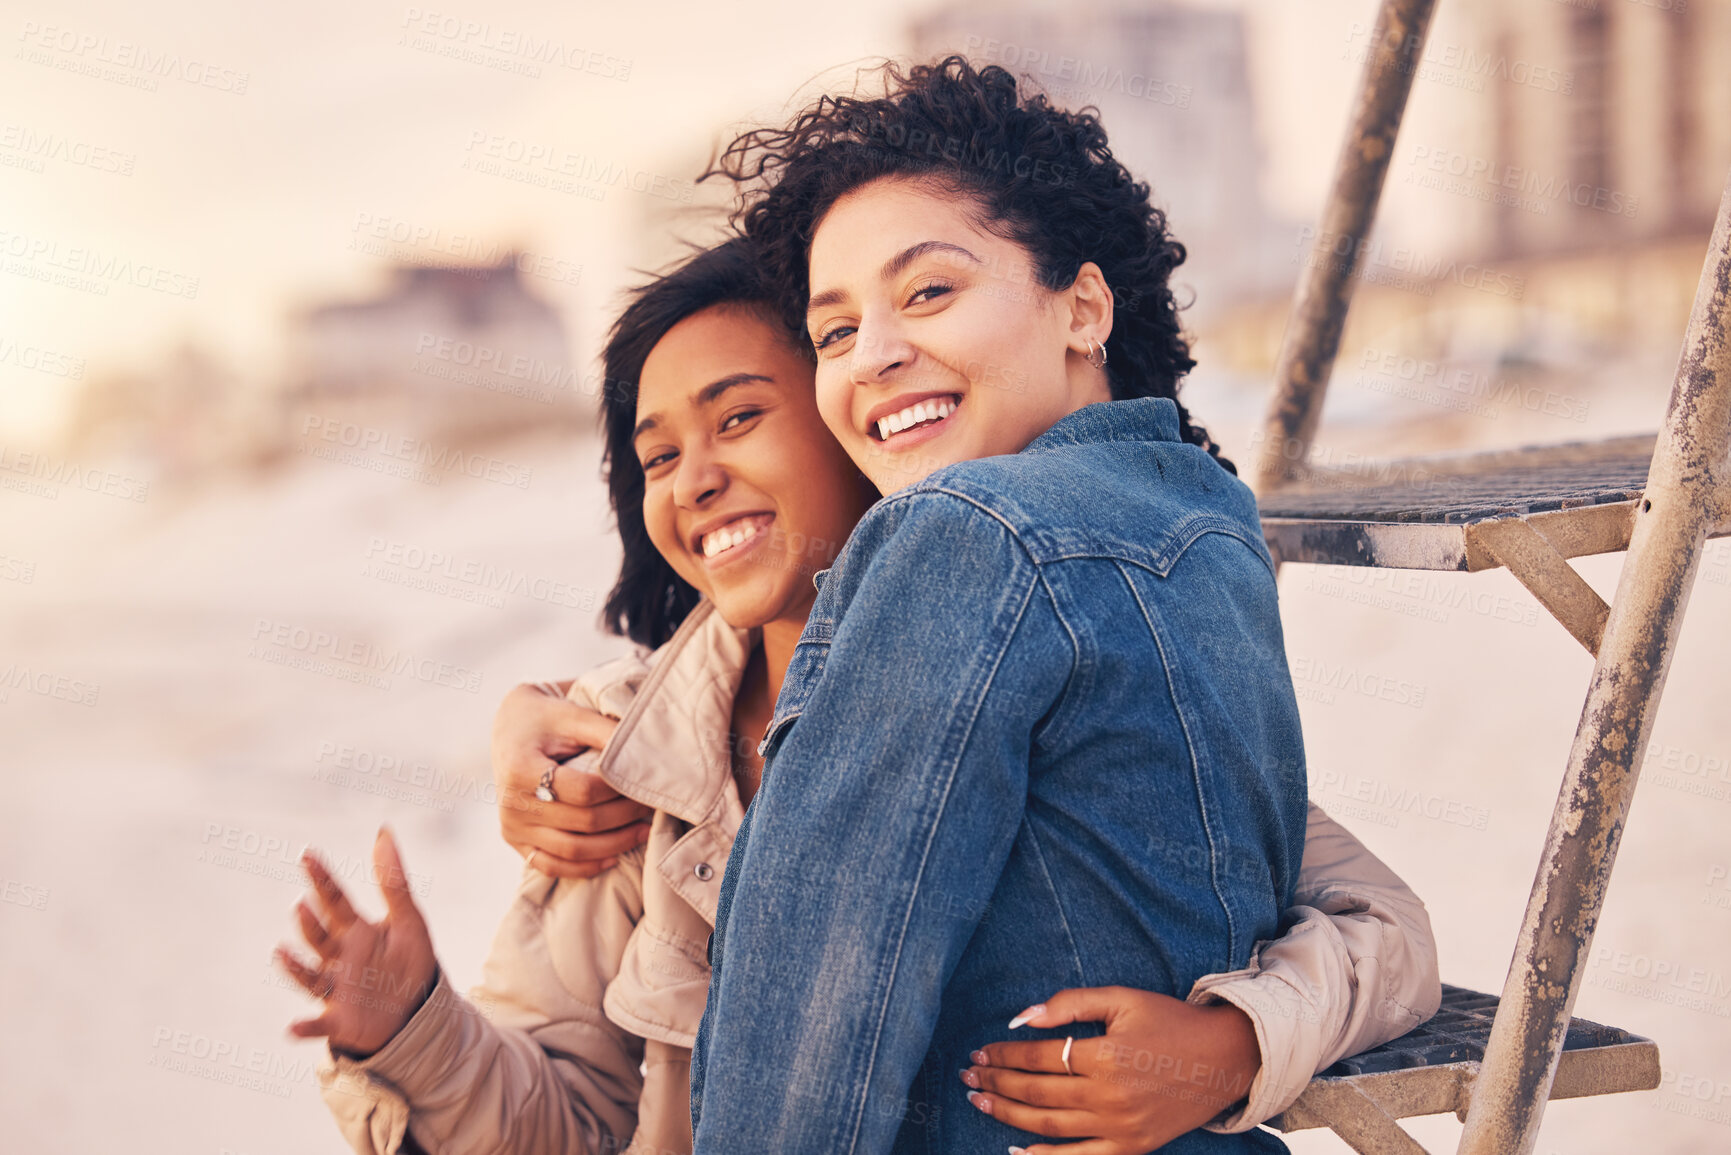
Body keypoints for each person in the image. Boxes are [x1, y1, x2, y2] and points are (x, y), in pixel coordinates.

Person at [280, 181, 1434, 1155]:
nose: (693, 481)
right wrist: (410, 1027)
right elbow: (576, 1117)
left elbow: (1380, 925)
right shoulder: (621, 760)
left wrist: (1228, 1048)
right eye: (658, 457)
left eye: (739, 419)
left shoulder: (1034, 659)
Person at [681, 57, 1377, 1153]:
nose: (875, 356)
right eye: (833, 332)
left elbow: (821, 994)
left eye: (928, 292)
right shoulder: (1211, 525)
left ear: (1084, 305)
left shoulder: (965, 533)